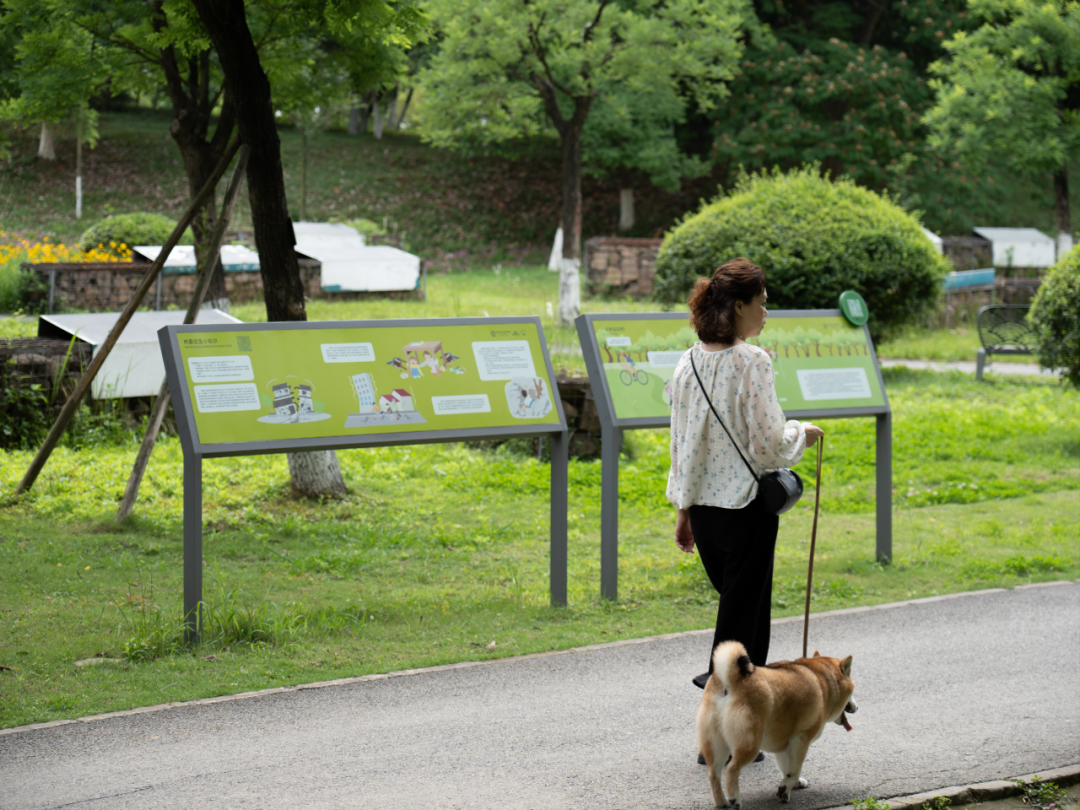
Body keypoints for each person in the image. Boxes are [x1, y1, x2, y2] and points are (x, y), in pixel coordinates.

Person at [667, 257, 823, 692]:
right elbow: (770, 443)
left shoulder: (687, 363)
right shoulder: (752, 361)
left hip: (703, 512)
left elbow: (680, 445)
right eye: (761, 303)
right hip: (745, 508)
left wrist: (683, 510)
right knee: (743, 624)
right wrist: (802, 434)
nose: (766, 313)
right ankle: (724, 724)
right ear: (738, 307)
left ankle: (736, 726)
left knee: (742, 614)